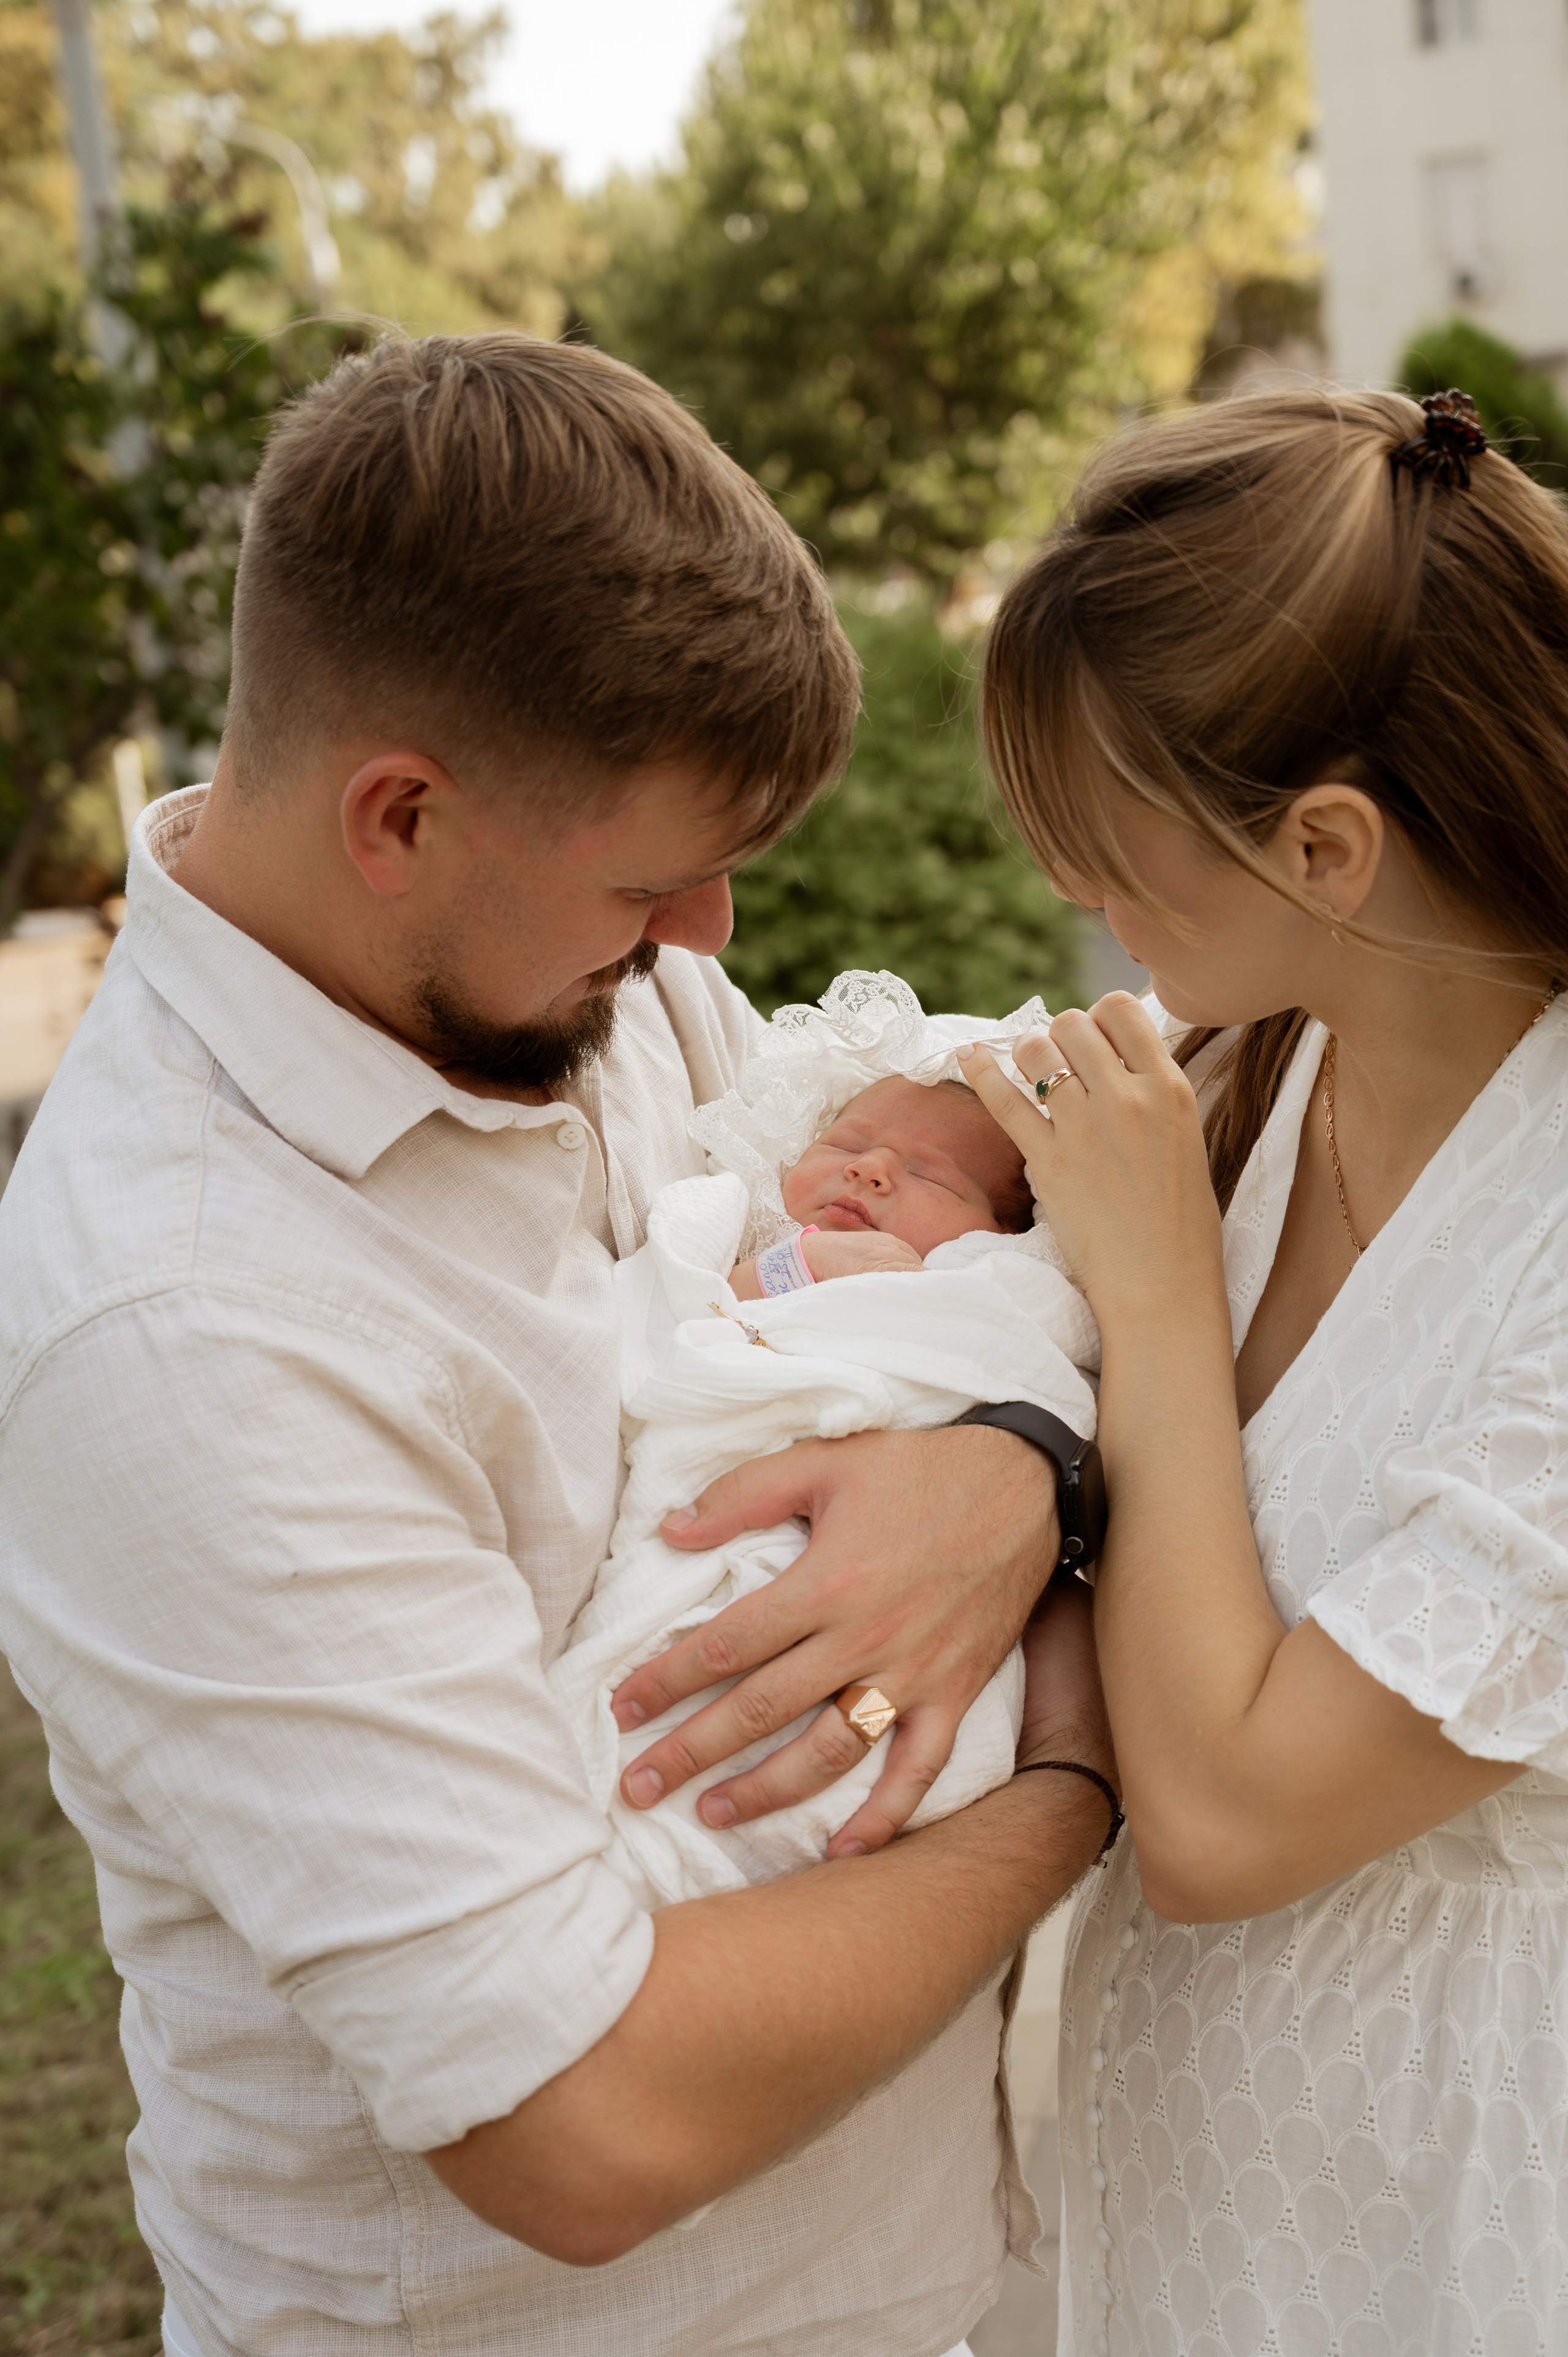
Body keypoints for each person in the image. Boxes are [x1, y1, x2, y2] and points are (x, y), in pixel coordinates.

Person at [0, 332, 1114, 2357]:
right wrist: (1074, 1780)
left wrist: (1019, 1460)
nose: (705, 930)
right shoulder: (175, 1327)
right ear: (399, 814)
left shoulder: (575, 990)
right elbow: (575, 2116)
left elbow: (899, 1301)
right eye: (646, 874)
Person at [949, 385, 1568, 2355]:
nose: (1091, 923)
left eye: (1117, 864)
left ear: (1324, 845)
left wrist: (1150, 1306)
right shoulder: (1252, 1066)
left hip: (1468, 2212)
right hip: (1202, 2192)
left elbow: (1219, 1821)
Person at [551, 978, 1105, 1907]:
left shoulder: (998, 1290)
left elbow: (1052, 1382)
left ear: (1012, 1233)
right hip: (710, 1517)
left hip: (905, 1597)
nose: (873, 1171)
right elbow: (650, 1321)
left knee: (868, 1738)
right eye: (849, 1145)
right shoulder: (739, 1237)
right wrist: (780, 1271)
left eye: (934, 1176)